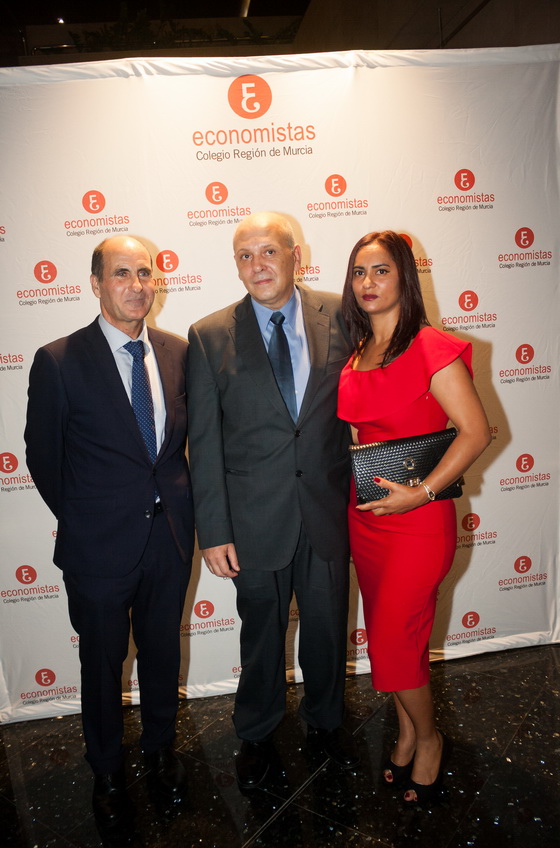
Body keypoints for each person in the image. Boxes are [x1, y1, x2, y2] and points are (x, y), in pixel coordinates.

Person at [24, 236, 194, 827]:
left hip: (169, 538)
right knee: (101, 664)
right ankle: (107, 769)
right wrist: (86, 519)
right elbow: (43, 458)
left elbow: (182, 447)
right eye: (122, 273)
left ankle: (160, 748)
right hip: (97, 547)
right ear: (96, 283)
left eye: (145, 272)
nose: (136, 285)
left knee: (162, 651)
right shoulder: (59, 359)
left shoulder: (178, 352)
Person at [187, 211, 359, 789]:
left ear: (294, 256)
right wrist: (214, 530)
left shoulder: (342, 314)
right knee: (261, 633)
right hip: (253, 519)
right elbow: (204, 443)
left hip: (327, 509)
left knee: (328, 628)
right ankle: (257, 731)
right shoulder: (209, 334)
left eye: (268, 251)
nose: (257, 265)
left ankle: (326, 721)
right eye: (245, 255)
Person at [337, 231, 491, 806]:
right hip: (367, 523)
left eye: (381, 270)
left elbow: (475, 432)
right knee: (397, 642)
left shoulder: (431, 347)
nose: (368, 282)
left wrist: (422, 493)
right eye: (359, 272)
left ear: (405, 276)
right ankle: (404, 734)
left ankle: (428, 740)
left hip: (418, 524)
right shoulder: (357, 352)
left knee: (394, 646)